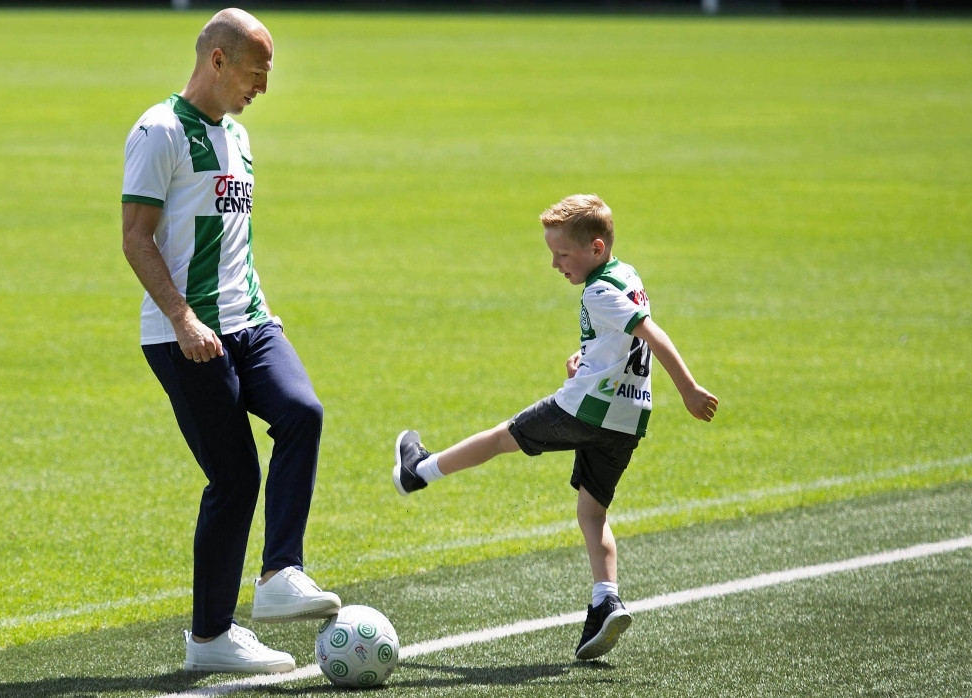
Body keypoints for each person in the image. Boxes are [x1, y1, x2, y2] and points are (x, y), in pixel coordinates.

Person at [392, 194, 718, 661]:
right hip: (627, 420)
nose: (554, 263)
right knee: (592, 512)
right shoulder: (626, 275)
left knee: (503, 437)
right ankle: (606, 600)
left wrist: (688, 389)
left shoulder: (598, 290)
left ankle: (418, 472)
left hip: (588, 409)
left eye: (562, 254)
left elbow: (651, 334)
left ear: (596, 248)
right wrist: (586, 358)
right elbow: (621, 338)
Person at [121, 8, 340, 675]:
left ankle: (279, 575)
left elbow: (233, 244)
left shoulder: (240, 138)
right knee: (236, 476)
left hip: (252, 322)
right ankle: (210, 639)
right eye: (256, 72)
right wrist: (185, 320)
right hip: (186, 333)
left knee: (302, 413)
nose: (263, 88)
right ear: (217, 60)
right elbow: (136, 238)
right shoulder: (159, 131)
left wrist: (261, 311)